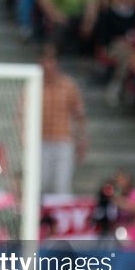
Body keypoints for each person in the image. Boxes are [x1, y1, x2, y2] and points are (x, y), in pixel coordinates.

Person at [40, 47, 86, 195]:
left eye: (50, 60)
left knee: (62, 185)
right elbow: (22, 114)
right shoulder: (34, 84)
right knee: (40, 183)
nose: (47, 65)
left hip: (63, 140)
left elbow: (79, 114)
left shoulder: (68, 86)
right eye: (44, 60)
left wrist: (82, 139)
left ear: (57, 63)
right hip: (40, 140)